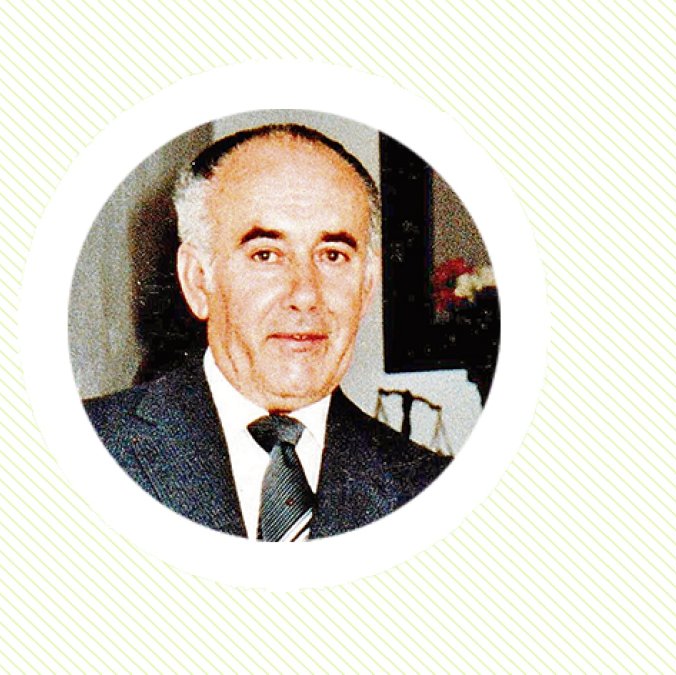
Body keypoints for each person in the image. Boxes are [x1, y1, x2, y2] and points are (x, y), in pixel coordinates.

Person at [84, 124, 450, 541]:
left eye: (332, 255)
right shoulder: (85, 448)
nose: (306, 295)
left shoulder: (433, 493)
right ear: (198, 279)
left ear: (367, 286)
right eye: (266, 255)